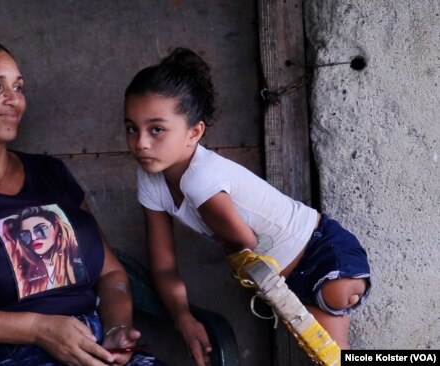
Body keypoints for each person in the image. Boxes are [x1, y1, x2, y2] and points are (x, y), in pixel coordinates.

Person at [0, 36, 165, 366]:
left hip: (96, 350)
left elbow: (111, 274)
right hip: (18, 354)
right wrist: (39, 328)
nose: (14, 101)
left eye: (18, 87)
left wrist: (117, 329)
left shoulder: (50, 172)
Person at [122, 47, 371, 365]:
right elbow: (164, 266)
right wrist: (182, 317)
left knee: (334, 352)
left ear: (194, 132)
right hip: (287, 277)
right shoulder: (150, 179)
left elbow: (243, 242)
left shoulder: (200, 178)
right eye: (132, 128)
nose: (141, 142)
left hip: (322, 255)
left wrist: (233, 253)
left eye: (156, 129)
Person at [0, 205, 89, 298]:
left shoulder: (76, 258)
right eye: (25, 235)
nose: (34, 238)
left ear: (56, 227)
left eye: (40, 229)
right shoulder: (26, 272)